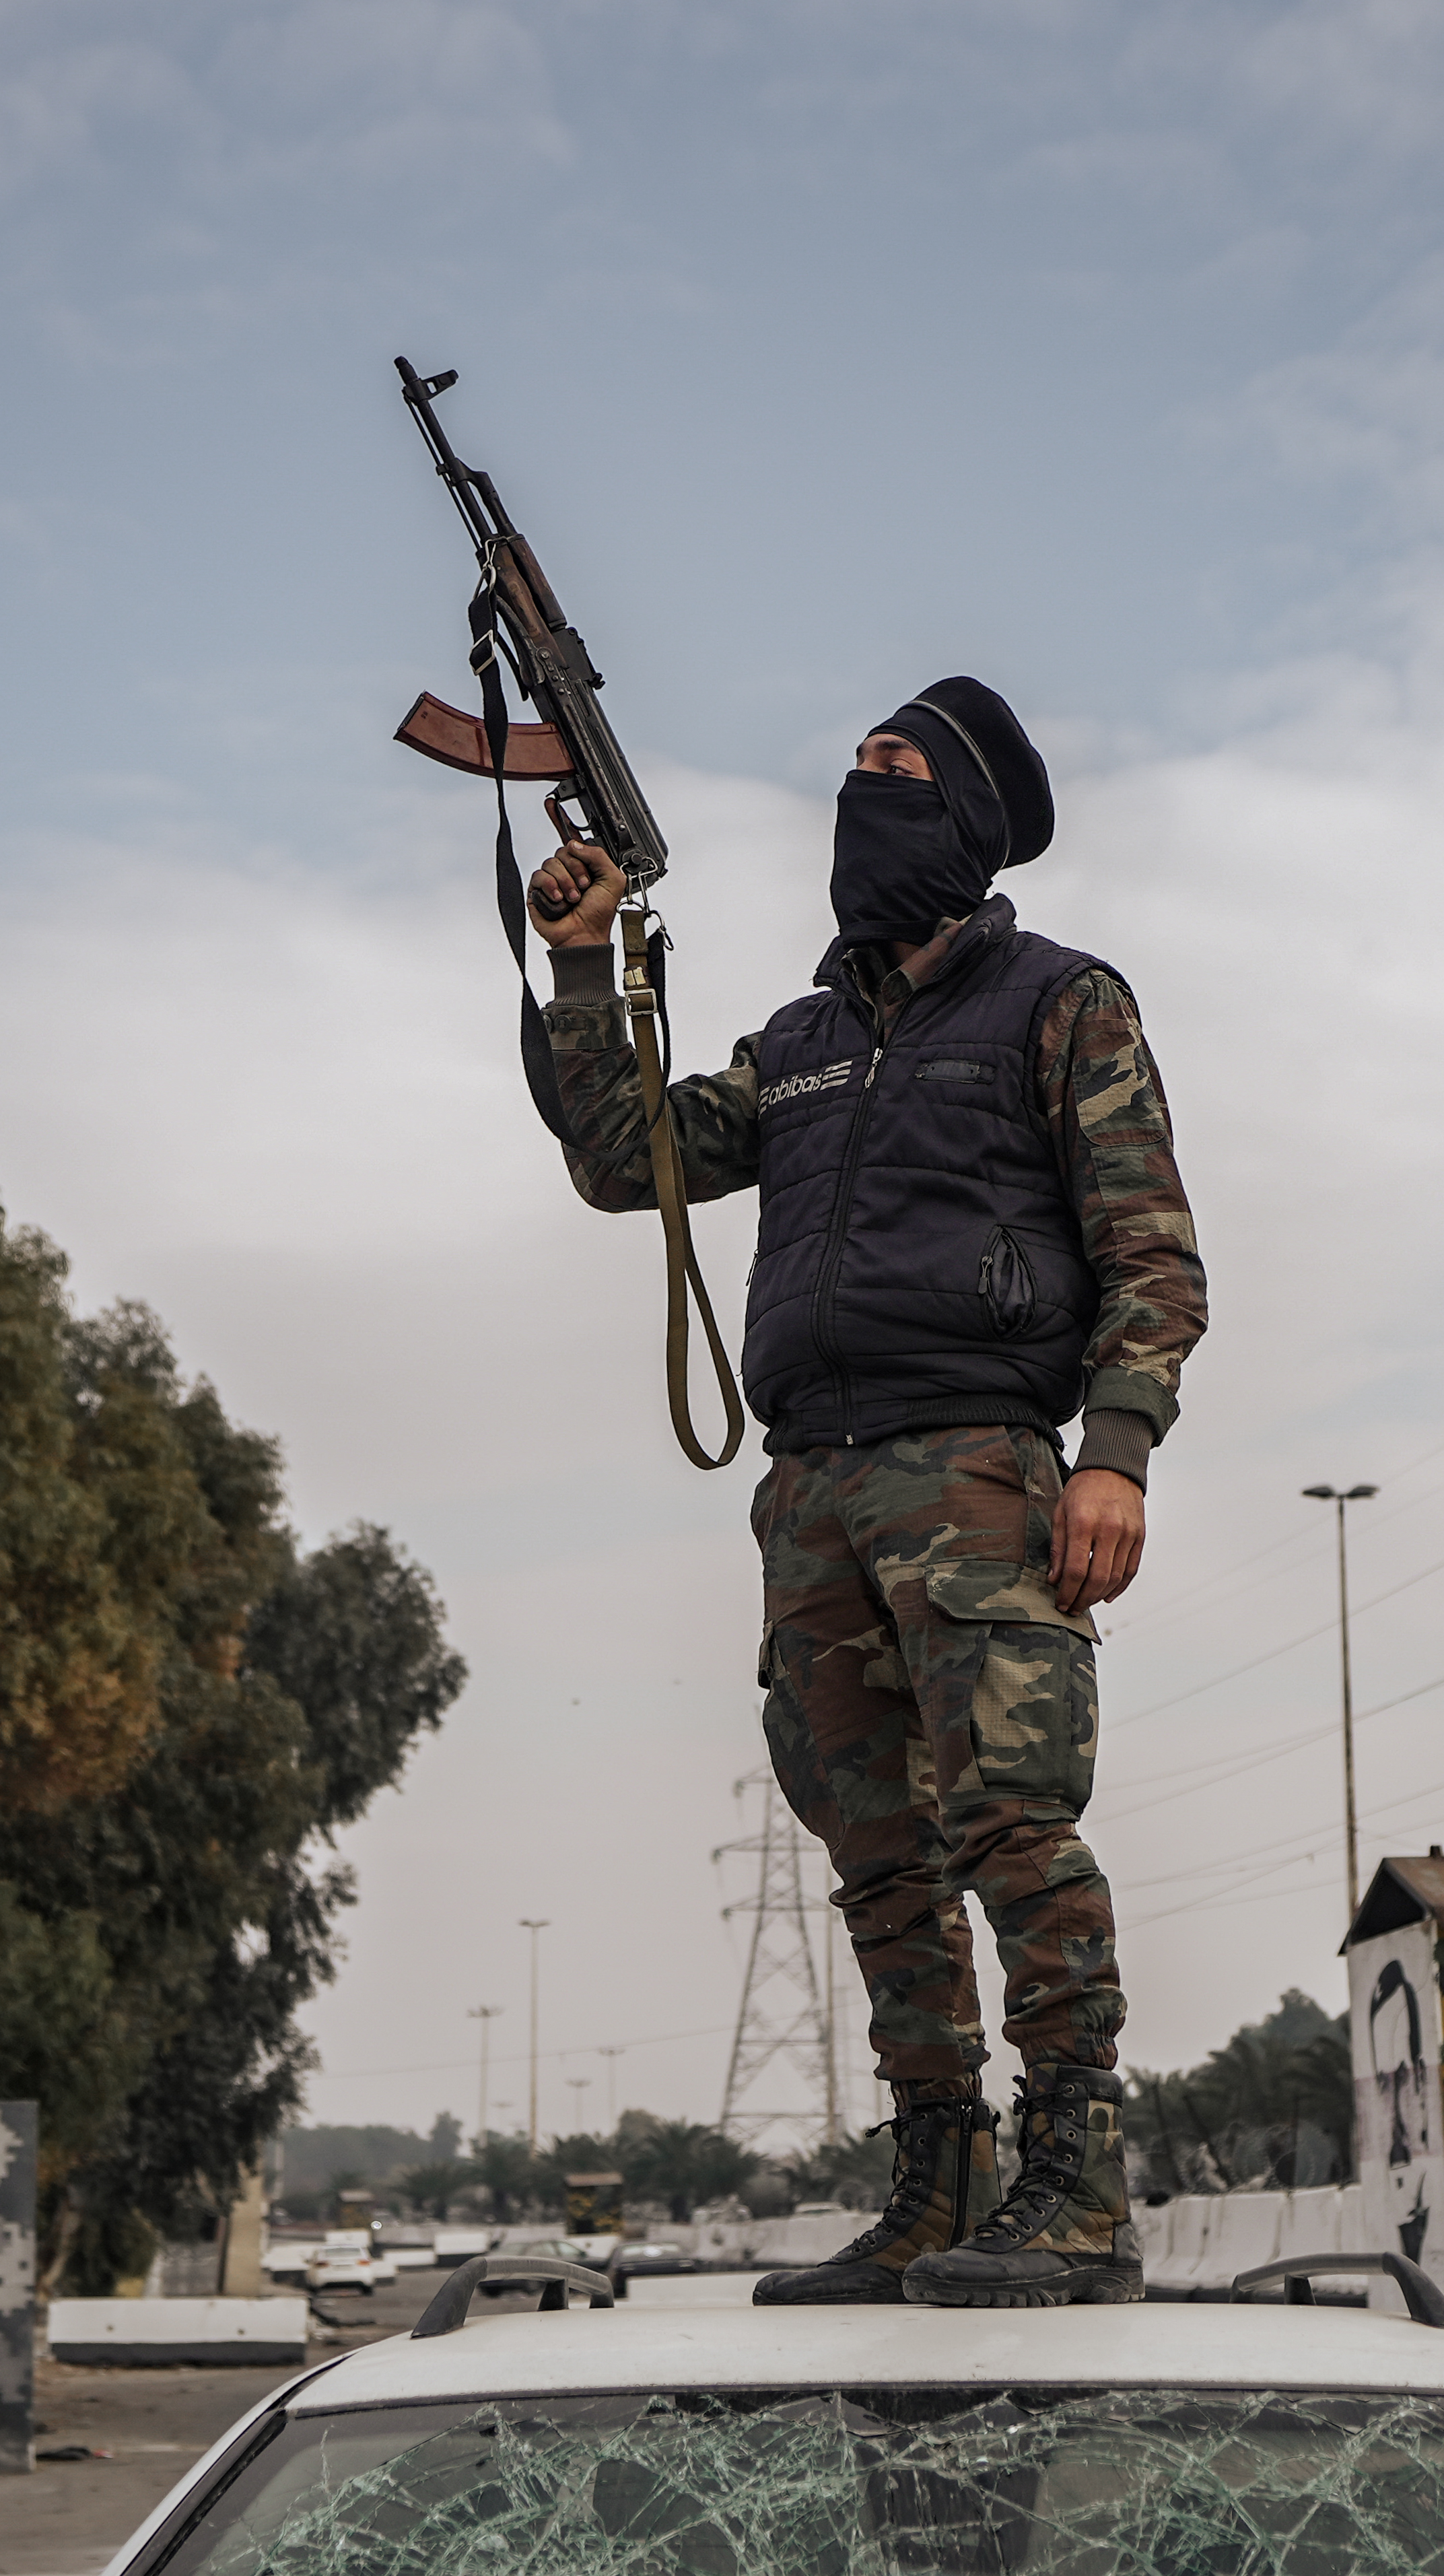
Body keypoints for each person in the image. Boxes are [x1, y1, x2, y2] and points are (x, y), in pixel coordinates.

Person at [520, 678, 1205, 2306]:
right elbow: (633, 1160)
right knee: (881, 1856)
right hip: (810, 1488)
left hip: (977, 1468)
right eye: (853, 769)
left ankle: (1076, 2182)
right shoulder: (804, 1044)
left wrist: (1115, 1450)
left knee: (1014, 1827)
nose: (859, 789)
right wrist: (577, 961)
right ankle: (933, 2177)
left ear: (961, 820)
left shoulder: (1060, 1002)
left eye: (892, 770)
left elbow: (1149, 1249)